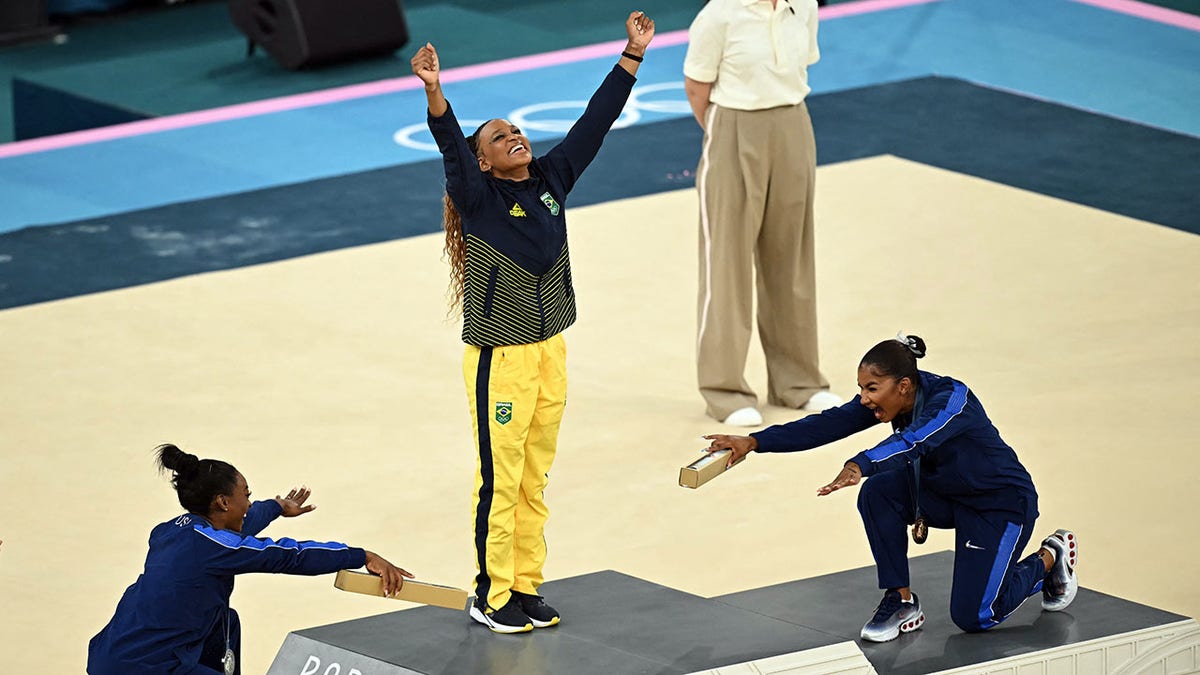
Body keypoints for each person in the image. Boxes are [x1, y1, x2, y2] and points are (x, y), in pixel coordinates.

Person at [410, 10, 655, 635]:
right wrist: (436, 94)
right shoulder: (480, 198)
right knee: (501, 475)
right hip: (502, 356)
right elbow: (449, 147)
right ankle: (490, 595)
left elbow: (593, 125)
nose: (515, 137)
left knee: (535, 473)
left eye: (517, 131)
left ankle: (525, 585)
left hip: (551, 350)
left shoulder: (550, 178)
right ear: (484, 163)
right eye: (498, 138)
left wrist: (632, 55)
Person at [704, 334, 1079, 641]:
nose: (864, 399)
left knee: (976, 616)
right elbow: (826, 424)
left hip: (997, 505)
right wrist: (753, 442)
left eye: (871, 388)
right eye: (861, 389)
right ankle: (901, 601)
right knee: (877, 492)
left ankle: (1050, 558)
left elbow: (915, 441)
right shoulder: (892, 398)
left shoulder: (952, 400)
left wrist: (860, 464)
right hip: (942, 494)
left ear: (903, 386)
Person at [87, 444, 411, 674]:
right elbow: (288, 556)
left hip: (111, 654)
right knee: (223, 623)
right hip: (147, 668)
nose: (249, 501)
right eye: (246, 494)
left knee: (228, 622)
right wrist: (362, 556)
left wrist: (276, 507)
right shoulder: (215, 547)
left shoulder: (171, 532)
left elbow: (235, 531)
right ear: (223, 502)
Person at [683, 0, 842, 427]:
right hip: (734, 126)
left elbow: (800, 66)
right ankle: (724, 389)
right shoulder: (719, 15)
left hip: (793, 123)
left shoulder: (803, 6)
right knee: (728, 264)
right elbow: (697, 87)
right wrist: (727, 136)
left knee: (791, 258)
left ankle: (798, 382)